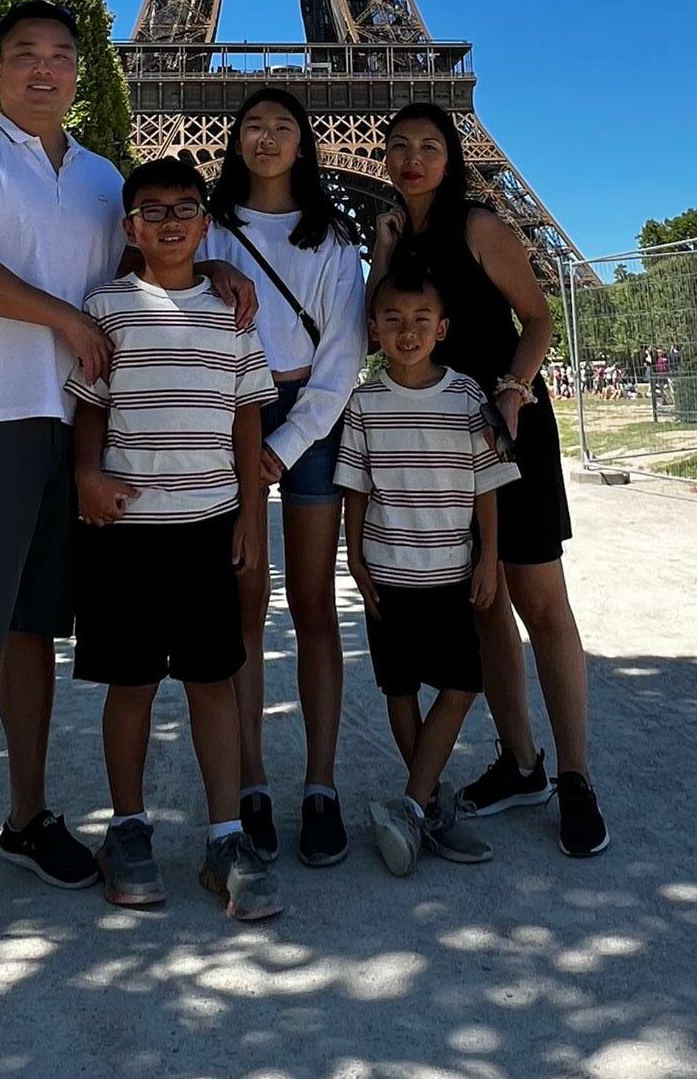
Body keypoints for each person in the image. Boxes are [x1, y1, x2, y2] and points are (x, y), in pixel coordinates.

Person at [0, 0, 255, 951]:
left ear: (79, 72)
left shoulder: (103, 177)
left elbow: (156, 252)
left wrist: (217, 271)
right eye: (25, 55)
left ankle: (26, 817)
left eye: (60, 55)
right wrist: (66, 319)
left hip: (77, 430)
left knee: (33, 631)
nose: (44, 69)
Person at [371, 103, 610, 860]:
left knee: (541, 601)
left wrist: (511, 389)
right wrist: (382, 254)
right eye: (399, 145)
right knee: (484, 604)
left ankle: (576, 776)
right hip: (440, 448)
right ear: (384, 157)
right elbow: (374, 329)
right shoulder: (394, 236)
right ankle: (522, 762)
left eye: (429, 145)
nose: (413, 157)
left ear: (451, 157)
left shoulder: (479, 225)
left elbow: (537, 317)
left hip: (506, 428)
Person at [70, 156, 283, 921]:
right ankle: (128, 827)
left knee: (212, 680)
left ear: (205, 221)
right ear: (130, 227)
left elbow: (247, 415)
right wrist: (86, 473)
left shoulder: (232, 311)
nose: (169, 220)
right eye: (152, 210)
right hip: (127, 526)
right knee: (130, 683)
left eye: (184, 207)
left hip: (208, 523)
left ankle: (225, 834)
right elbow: (92, 401)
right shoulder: (107, 306)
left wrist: (252, 514)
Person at [203, 87, 366, 867]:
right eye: (253, 126)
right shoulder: (208, 229)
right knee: (243, 600)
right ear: (235, 139)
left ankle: (321, 784)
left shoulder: (333, 238)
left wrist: (287, 442)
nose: (266, 138)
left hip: (310, 411)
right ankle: (251, 780)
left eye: (282, 126)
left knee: (312, 604)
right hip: (230, 408)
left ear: (304, 142)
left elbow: (342, 357)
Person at [337, 265, 515, 876]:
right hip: (388, 573)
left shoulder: (468, 398)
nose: (407, 331)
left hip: (450, 572)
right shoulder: (363, 402)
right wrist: (354, 555)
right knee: (400, 688)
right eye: (393, 319)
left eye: (420, 320)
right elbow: (355, 486)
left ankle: (412, 805)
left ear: (442, 329)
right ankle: (431, 807)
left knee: (463, 684)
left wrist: (489, 557)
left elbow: (487, 484)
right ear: (374, 329)